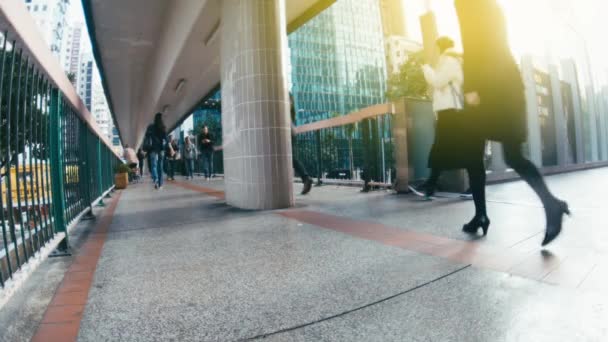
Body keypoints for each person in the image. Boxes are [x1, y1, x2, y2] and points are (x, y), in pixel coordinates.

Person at [455, 0, 569, 246]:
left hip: (490, 88)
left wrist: (472, 85)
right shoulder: (491, 6)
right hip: (505, 83)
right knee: (507, 156)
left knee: (481, 155)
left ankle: (486, 213)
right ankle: (547, 206)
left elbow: (473, 41)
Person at [408, 36, 465, 200]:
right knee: (443, 148)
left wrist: (426, 68)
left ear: (441, 47)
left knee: (441, 148)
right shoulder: (451, 60)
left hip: (450, 112)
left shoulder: (449, 61)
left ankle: (431, 185)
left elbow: (438, 81)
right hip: (448, 112)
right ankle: (431, 185)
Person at [290, 95, 313, 195]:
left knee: (292, 158)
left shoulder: (287, 107)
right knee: (291, 158)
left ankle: (306, 178)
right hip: (290, 133)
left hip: (289, 133)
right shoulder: (290, 110)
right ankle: (305, 178)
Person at [143, 113, 168, 189]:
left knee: (153, 166)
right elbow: (166, 139)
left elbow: (146, 136)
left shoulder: (150, 127)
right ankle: (160, 184)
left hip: (152, 149)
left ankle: (156, 179)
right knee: (160, 166)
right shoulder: (163, 127)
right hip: (161, 149)